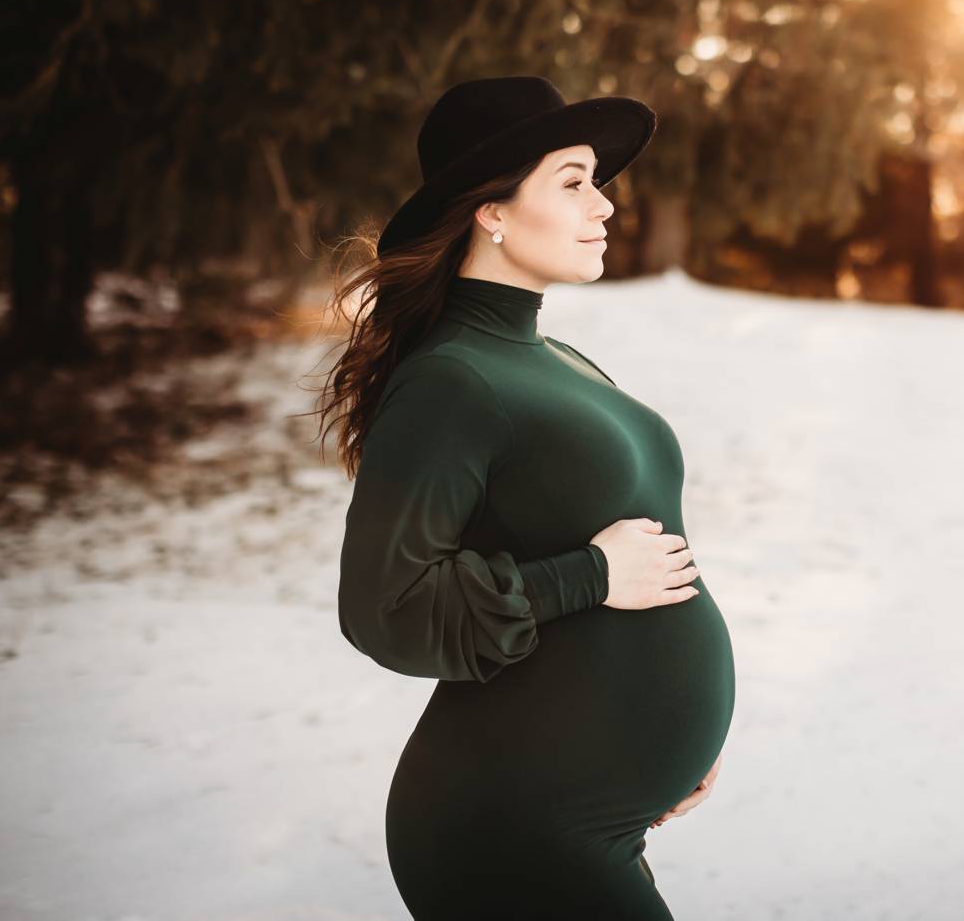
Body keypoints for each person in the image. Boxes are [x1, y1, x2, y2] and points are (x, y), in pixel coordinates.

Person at [314, 76, 736, 919]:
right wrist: (586, 576)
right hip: (512, 824)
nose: (605, 205)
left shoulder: (557, 358)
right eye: (574, 181)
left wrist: (676, 735)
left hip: (587, 815)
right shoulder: (452, 381)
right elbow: (382, 606)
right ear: (493, 212)